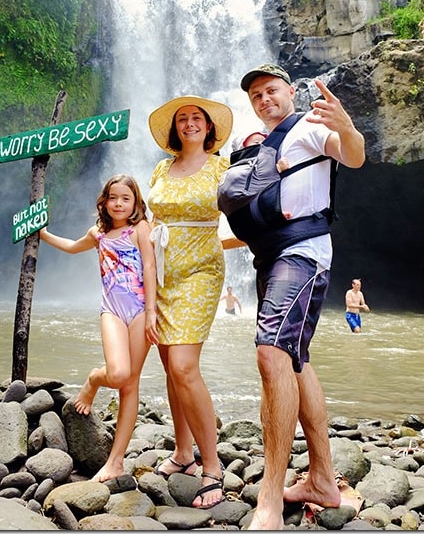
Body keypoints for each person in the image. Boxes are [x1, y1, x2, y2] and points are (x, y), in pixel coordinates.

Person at [238, 63, 365, 530]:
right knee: (294, 358)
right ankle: (323, 481)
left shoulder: (311, 127)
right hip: (270, 257)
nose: (264, 99)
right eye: (256, 95)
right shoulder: (257, 147)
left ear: (290, 91)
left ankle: (269, 498)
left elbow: (353, 156)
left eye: (271, 90)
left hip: (303, 253)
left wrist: (346, 126)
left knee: (271, 354)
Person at [39, 174, 159, 482]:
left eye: (126, 198)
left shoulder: (140, 229)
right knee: (117, 374)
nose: (119, 203)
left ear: (135, 203)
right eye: (113, 197)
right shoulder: (99, 233)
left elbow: (149, 266)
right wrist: (44, 235)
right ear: (104, 201)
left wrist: (150, 314)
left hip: (139, 310)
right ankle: (94, 379)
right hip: (113, 311)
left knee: (130, 383)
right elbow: (71, 246)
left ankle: (116, 460)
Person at [147, 94, 233, 509]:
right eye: (182, 119)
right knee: (169, 365)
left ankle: (212, 465)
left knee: (184, 365)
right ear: (174, 128)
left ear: (209, 126)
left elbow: (245, 216)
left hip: (200, 272)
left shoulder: (222, 165)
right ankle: (183, 453)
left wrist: (216, 247)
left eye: (196, 117)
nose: (189, 123)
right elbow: (149, 224)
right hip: (162, 272)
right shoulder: (162, 167)